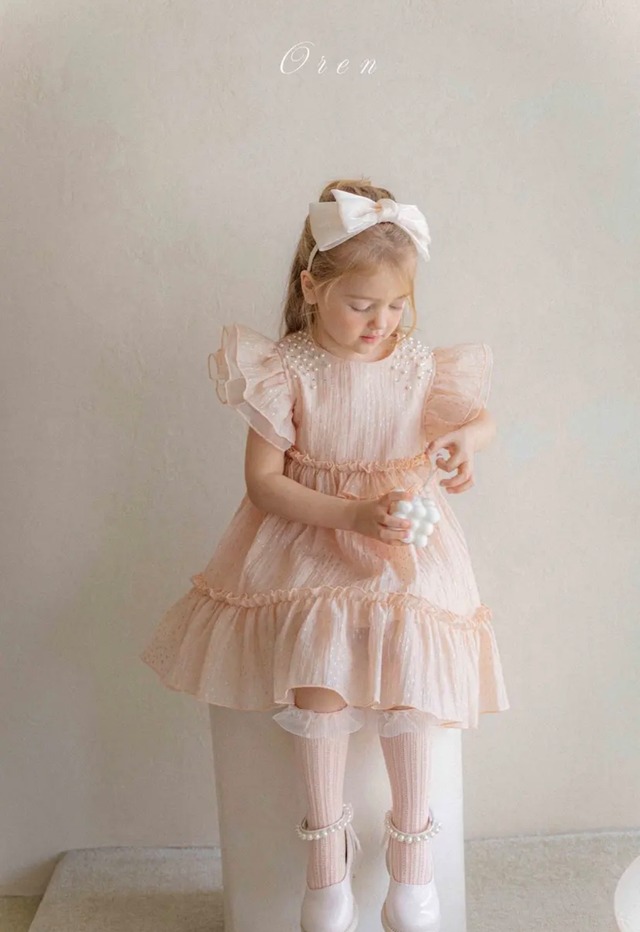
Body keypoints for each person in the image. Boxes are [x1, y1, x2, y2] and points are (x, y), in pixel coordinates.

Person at [139, 178, 510, 932]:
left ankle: (412, 864)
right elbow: (264, 483)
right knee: (319, 672)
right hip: (310, 538)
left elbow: (481, 421)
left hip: (405, 542)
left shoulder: (416, 364)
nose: (381, 324)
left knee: (413, 662)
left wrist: (465, 442)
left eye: (396, 306)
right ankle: (326, 866)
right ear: (313, 287)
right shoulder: (287, 368)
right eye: (362, 305)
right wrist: (351, 514)